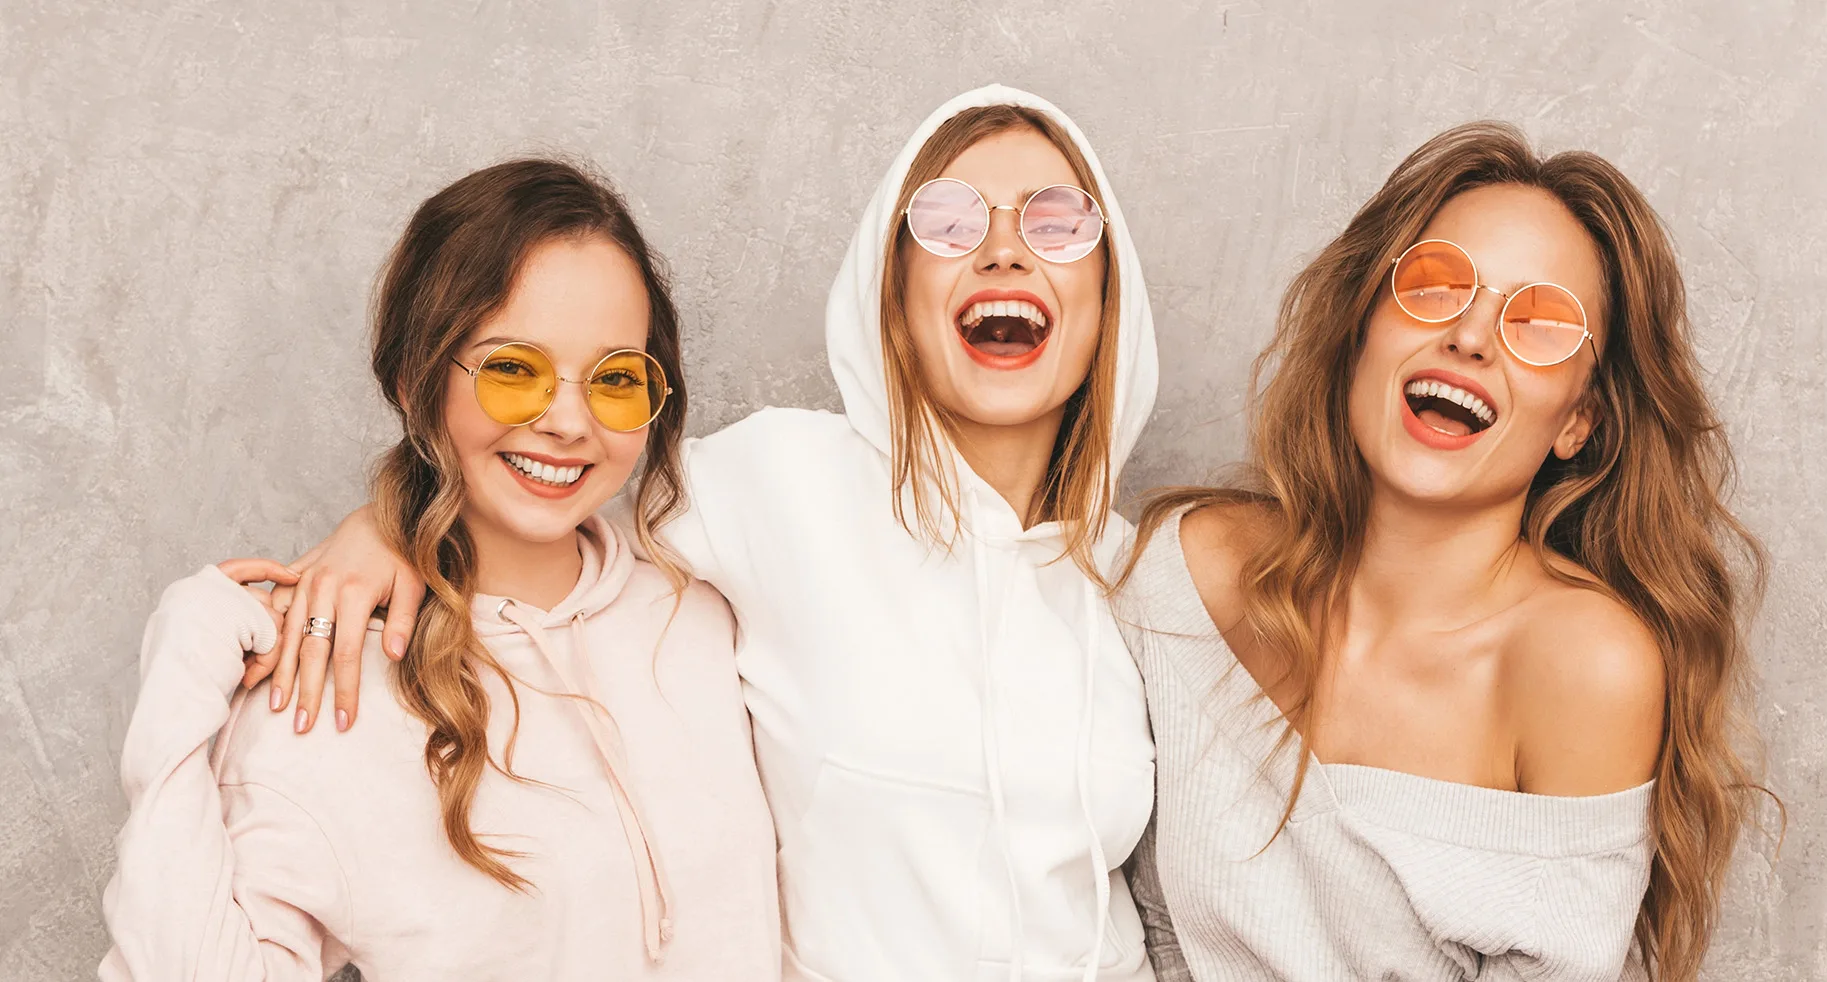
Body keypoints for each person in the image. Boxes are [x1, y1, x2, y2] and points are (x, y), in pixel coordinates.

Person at [237, 86, 1161, 982]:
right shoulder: (776, 485)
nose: (1004, 251)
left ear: (1108, 294)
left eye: (1057, 223)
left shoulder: (1143, 581)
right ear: (893, 288)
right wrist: (389, 525)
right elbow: (546, 496)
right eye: (949, 221)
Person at [100, 158, 779, 980]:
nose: (570, 422)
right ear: (414, 379)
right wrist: (187, 649)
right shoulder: (329, 687)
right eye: (513, 369)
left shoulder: (712, 612)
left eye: (615, 378)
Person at [1120, 122, 1767, 982]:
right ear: (1362, 329)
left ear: (1580, 421)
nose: (1470, 336)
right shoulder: (1185, 573)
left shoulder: (1584, 666)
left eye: (1541, 323)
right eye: (1434, 284)